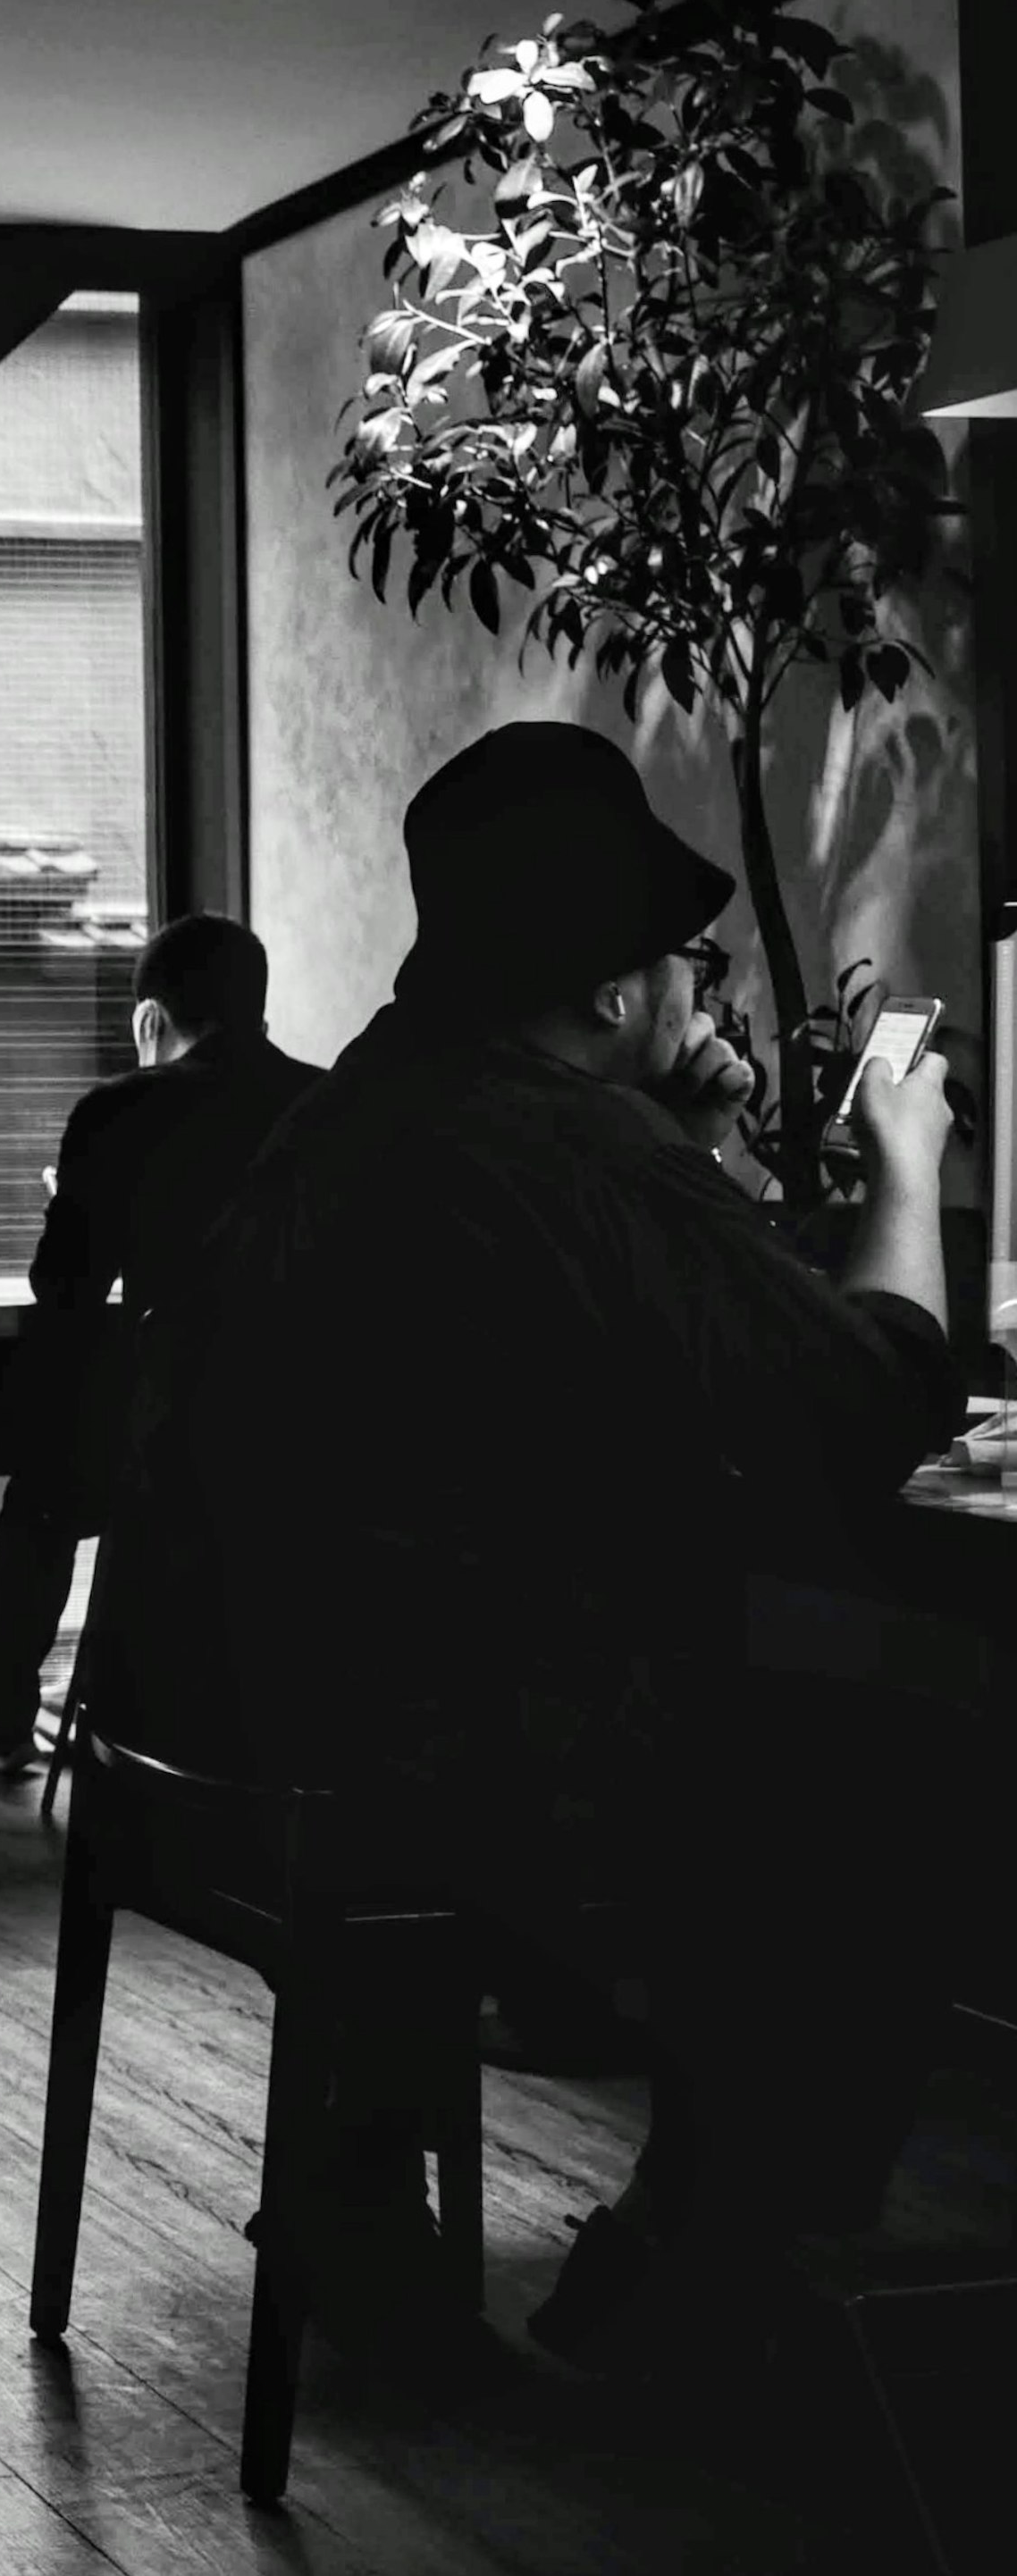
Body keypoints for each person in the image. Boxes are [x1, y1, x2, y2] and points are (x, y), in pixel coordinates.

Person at [96, 718, 965, 2386]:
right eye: (686, 970)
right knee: (925, 1754)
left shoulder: (362, 1111)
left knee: (781, 1685)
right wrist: (908, 1167)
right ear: (615, 995)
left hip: (225, 1742)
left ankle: (384, 2168)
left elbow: (652, 1342)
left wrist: (689, 1156)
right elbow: (864, 1407)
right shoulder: (576, 1146)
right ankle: (705, 2244)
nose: (705, 998)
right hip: (459, 1769)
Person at [0, 911, 320, 1776]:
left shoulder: (120, 1109)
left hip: (167, 1434)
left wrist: (77, 1196)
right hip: (311, 1436)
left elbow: (62, 1289)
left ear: (150, 1020)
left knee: (47, 1487)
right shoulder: (327, 1104)